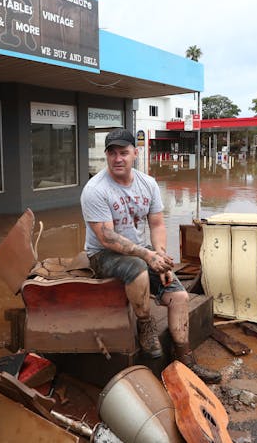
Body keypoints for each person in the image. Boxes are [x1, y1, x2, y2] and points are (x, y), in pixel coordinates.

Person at [80, 128, 221, 383]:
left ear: (136, 153)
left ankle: (184, 359)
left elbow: (157, 224)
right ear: (106, 157)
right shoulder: (95, 190)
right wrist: (147, 256)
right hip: (102, 255)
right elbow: (106, 237)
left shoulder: (148, 184)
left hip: (140, 251)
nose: (118, 158)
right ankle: (145, 323)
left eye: (124, 152)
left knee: (178, 295)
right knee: (137, 268)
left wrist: (161, 257)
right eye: (112, 153)